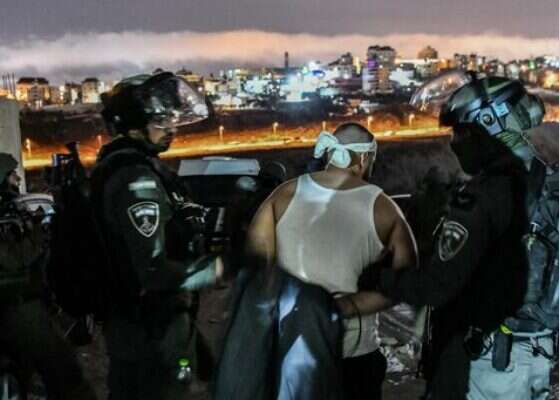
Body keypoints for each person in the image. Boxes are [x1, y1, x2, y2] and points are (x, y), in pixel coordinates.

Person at [366, 73, 552, 399]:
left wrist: (379, 277)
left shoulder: (483, 195)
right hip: (536, 348)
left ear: (489, 124)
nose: (455, 142)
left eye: (461, 132)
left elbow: (437, 286)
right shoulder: (544, 177)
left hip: (489, 358)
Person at [240, 123, 418, 400]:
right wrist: (344, 306)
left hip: (291, 352)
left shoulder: (282, 196)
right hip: (352, 357)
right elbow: (407, 279)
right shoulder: (381, 206)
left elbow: (254, 271)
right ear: (364, 158)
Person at [94, 72, 224, 400]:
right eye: (162, 120)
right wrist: (219, 268)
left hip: (141, 323)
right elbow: (152, 271)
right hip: (149, 327)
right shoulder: (136, 179)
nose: (172, 128)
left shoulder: (127, 167)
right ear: (135, 125)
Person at [0, 153, 97, 399]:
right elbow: (13, 259)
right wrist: (39, 232)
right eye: (11, 175)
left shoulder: (10, 210)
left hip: (21, 304)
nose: (17, 179)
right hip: (18, 308)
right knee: (66, 375)